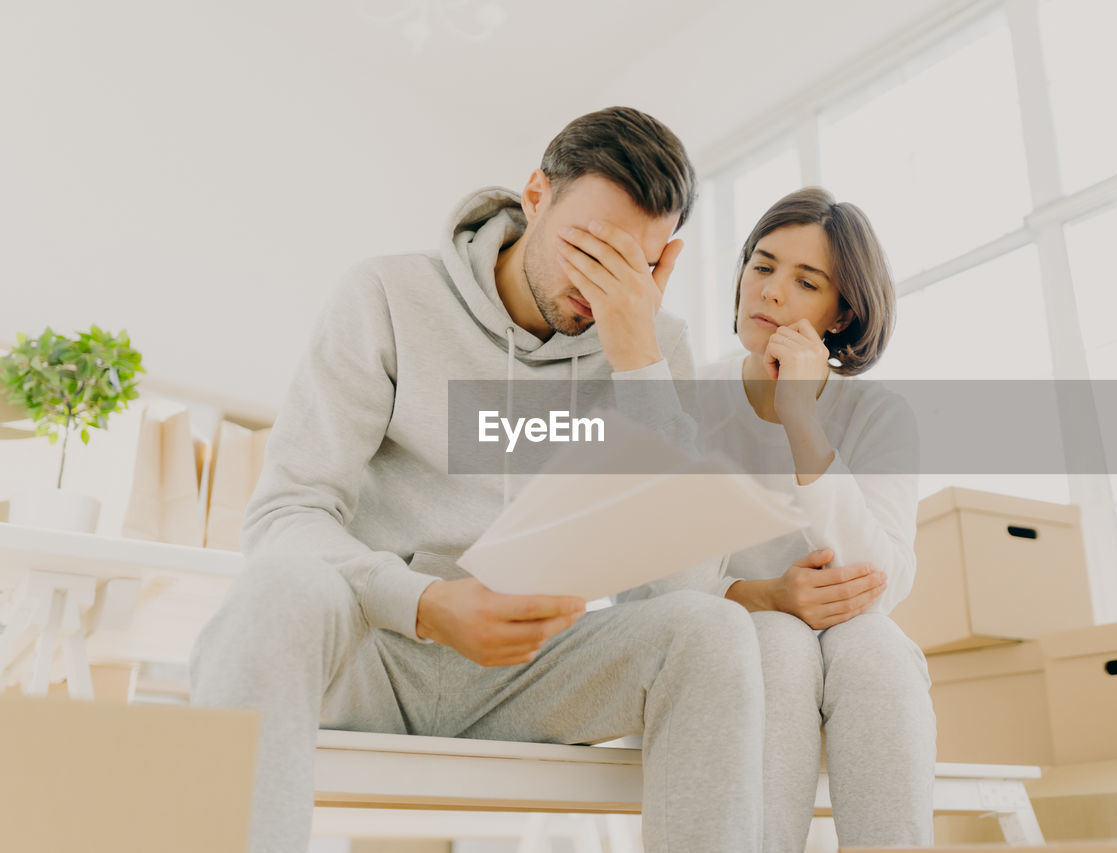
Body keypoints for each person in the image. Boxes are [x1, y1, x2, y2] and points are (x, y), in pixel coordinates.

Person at [190, 107, 765, 853]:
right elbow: (284, 516)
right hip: (378, 646)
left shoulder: (656, 346)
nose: (602, 289)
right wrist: (423, 602)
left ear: (666, 261)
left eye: (632, 267)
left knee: (715, 629)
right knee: (279, 587)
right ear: (535, 195)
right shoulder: (386, 295)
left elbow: (677, 595)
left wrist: (638, 364)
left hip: (529, 673)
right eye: (587, 250)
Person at [699, 187, 935, 849]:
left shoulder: (880, 414)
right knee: (777, 639)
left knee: (877, 645)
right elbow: (646, 580)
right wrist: (766, 596)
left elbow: (877, 583)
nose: (770, 292)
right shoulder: (686, 397)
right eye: (762, 265)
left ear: (841, 314)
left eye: (805, 282)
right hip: (733, 645)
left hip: (853, 653)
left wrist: (800, 416)